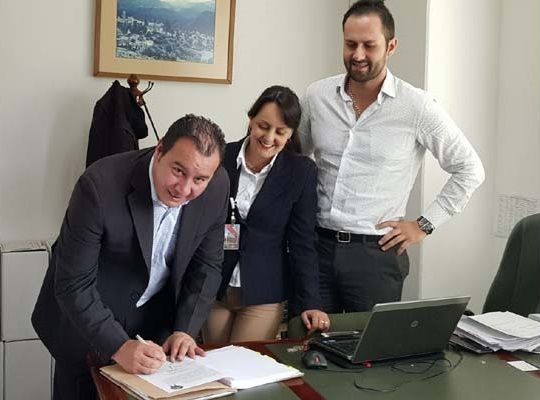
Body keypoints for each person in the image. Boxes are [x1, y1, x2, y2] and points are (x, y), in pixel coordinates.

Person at [298, 0, 485, 313]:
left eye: (369, 45)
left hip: (376, 255)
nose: (358, 55)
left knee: (368, 344)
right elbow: (295, 161)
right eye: (350, 44)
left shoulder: (417, 106)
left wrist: (424, 225)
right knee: (308, 340)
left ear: (391, 46)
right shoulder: (316, 96)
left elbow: (470, 169)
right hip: (316, 248)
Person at [31, 114, 229, 400]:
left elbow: (207, 265)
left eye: (199, 179)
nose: (185, 189)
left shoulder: (217, 187)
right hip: (85, 327)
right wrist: (118, 346)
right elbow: (74, 284)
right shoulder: (99, 185)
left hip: (153, 327)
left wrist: (184, 330)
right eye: (178, 171)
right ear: (159, 150)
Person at [203, 86, 330, 343]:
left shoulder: (300, 172)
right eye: (263, 126)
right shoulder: (219, 156)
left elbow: (303, 242)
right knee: (213, 360)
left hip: (264, 291)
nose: (269, 137)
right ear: (251, 120)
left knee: (246, 362)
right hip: (214, 285)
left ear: (291, 134)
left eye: (280, 132)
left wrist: (311, 302)